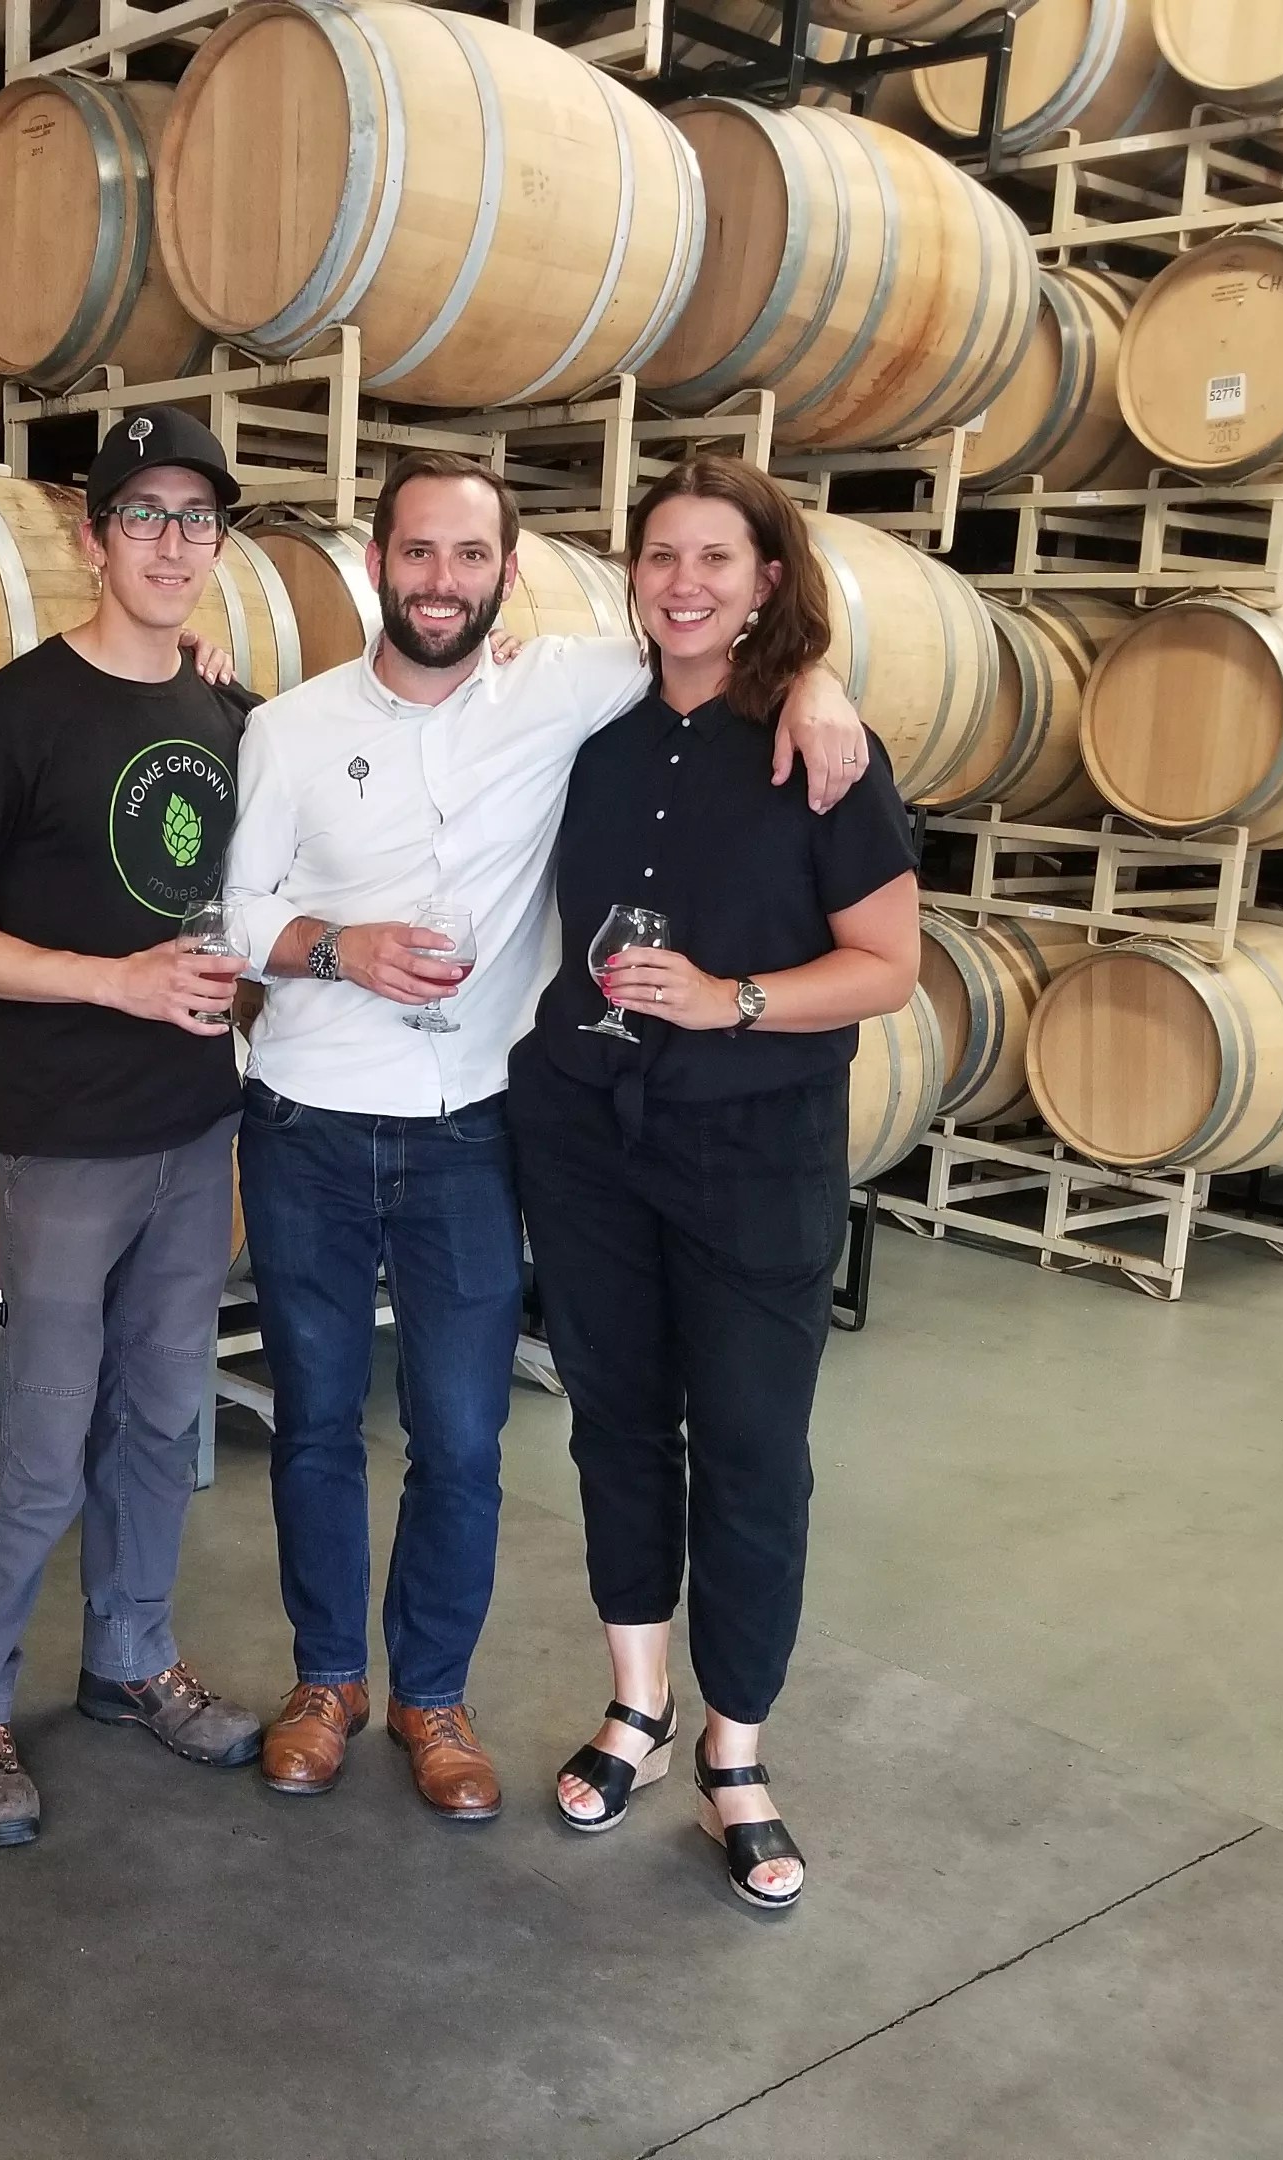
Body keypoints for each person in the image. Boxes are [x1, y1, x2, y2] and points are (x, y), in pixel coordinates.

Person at [218, 451, 872, 1822]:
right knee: (318, 1423)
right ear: (375, 564)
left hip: (471, 1127)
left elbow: (723, 640)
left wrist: (819, 681)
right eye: (416, 551)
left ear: (508, 574)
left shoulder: (571, 688)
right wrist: (339, 947)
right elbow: (237, 914)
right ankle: (327, 1681)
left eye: (470, 555)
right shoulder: (288, 726)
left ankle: (434, 1697)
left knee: (463, 1438)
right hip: (307, 1121)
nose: (440, 579)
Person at [508, 455, 919, 1911]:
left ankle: (735, 1752)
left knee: (750, 1450)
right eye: (661, 556)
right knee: (615, 1424)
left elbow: (888, 964)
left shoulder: (822, 749)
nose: (682, 584)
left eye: (715, 560)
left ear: (765, 583)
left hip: (755, 1147)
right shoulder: (596, 737)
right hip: (589, 1134)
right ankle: (638, 1702)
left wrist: (732, 999)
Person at [0, 411, 270, 1847]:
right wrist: (111, 982)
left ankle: (130, 1656)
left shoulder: (230, 715)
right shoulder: (16, 714)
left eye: (197, 519)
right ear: (92, 534)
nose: (173, 544)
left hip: (196, 1125)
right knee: (45, 1439)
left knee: (162, 1418)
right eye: (144, 515)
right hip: (63, 1139)